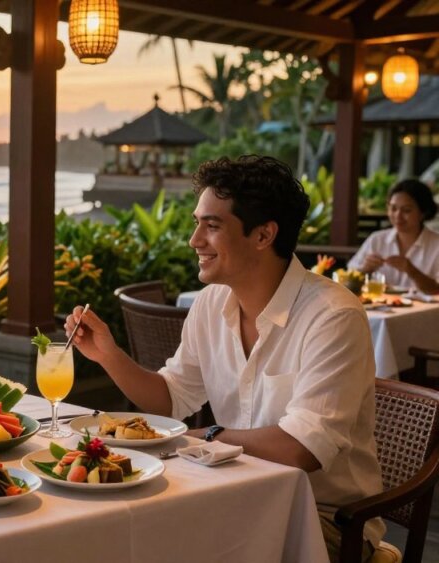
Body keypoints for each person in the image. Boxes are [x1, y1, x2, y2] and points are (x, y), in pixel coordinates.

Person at [66, 155, 385, 562]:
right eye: (197, 222)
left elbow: (300, 449)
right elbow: (171, 398)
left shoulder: (333, 316)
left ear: (264, 235)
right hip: (232, 491)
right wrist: (109, 355)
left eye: (212, 226)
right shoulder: (211, 303)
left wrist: (205, 437)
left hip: (325, 520)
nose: (194, 240)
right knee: (117, 530)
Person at [348, 179, 439, 294]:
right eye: (393, 208)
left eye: (406, 210)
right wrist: (365, 269)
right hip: (381, 308)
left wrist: (412, 271)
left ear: (423, 213)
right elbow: (348, 279)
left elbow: (437, 289)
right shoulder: (377, 239)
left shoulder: (436, 244)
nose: (398, 215)